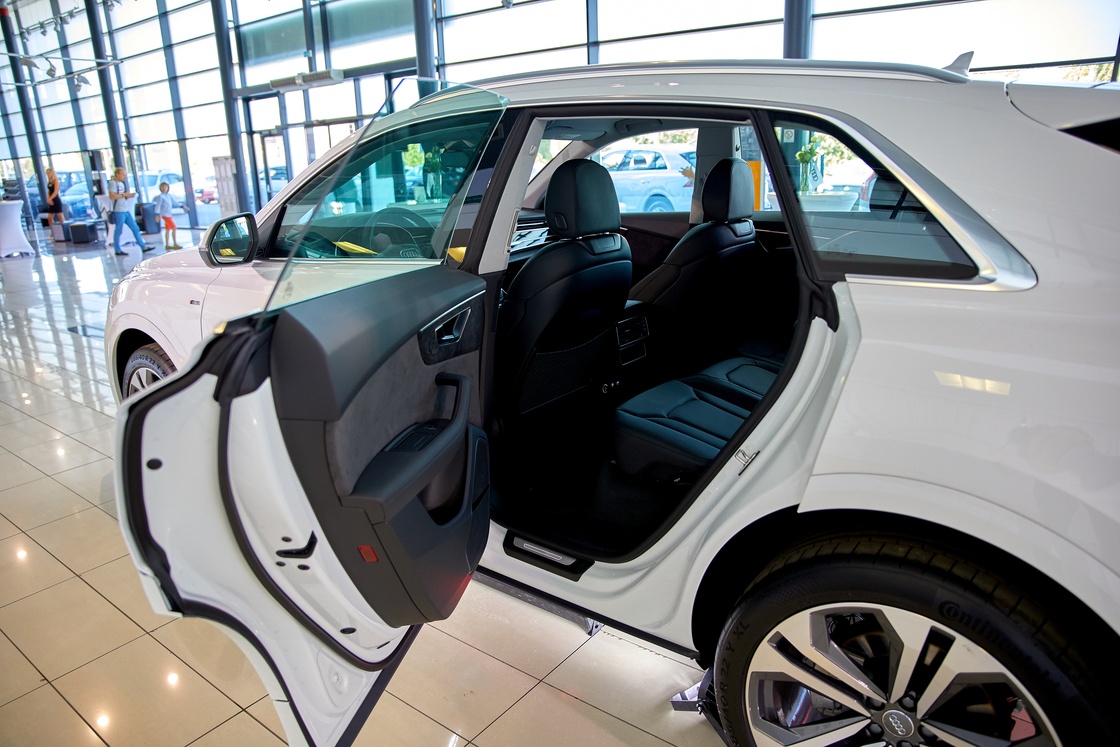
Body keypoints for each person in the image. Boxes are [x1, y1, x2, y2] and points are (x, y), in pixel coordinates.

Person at [109, 167, 152, 256]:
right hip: (119, 211)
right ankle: (117, 249)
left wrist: (127, 196)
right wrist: (124, 195)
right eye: (123, 174)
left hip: (125, 210)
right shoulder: (113, 183)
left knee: (135, 228)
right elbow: (112, 196)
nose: (124, 176)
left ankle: (143, 246)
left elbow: (120, 196)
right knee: (118, 230)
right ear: (117, 174)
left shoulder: (121, 184)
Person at [154, 182, 181, 249]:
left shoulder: (169, 196)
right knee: (174, 228)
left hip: (169, 214)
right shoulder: (160, 196)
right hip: (165, 215)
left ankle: (167, 245)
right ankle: (175, 243)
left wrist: (182, 206)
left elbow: (175, 203)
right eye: (162, 187)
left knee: (168, 229)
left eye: (165, 187)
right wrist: (157, 214)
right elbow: (158, 206)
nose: (164, 188)